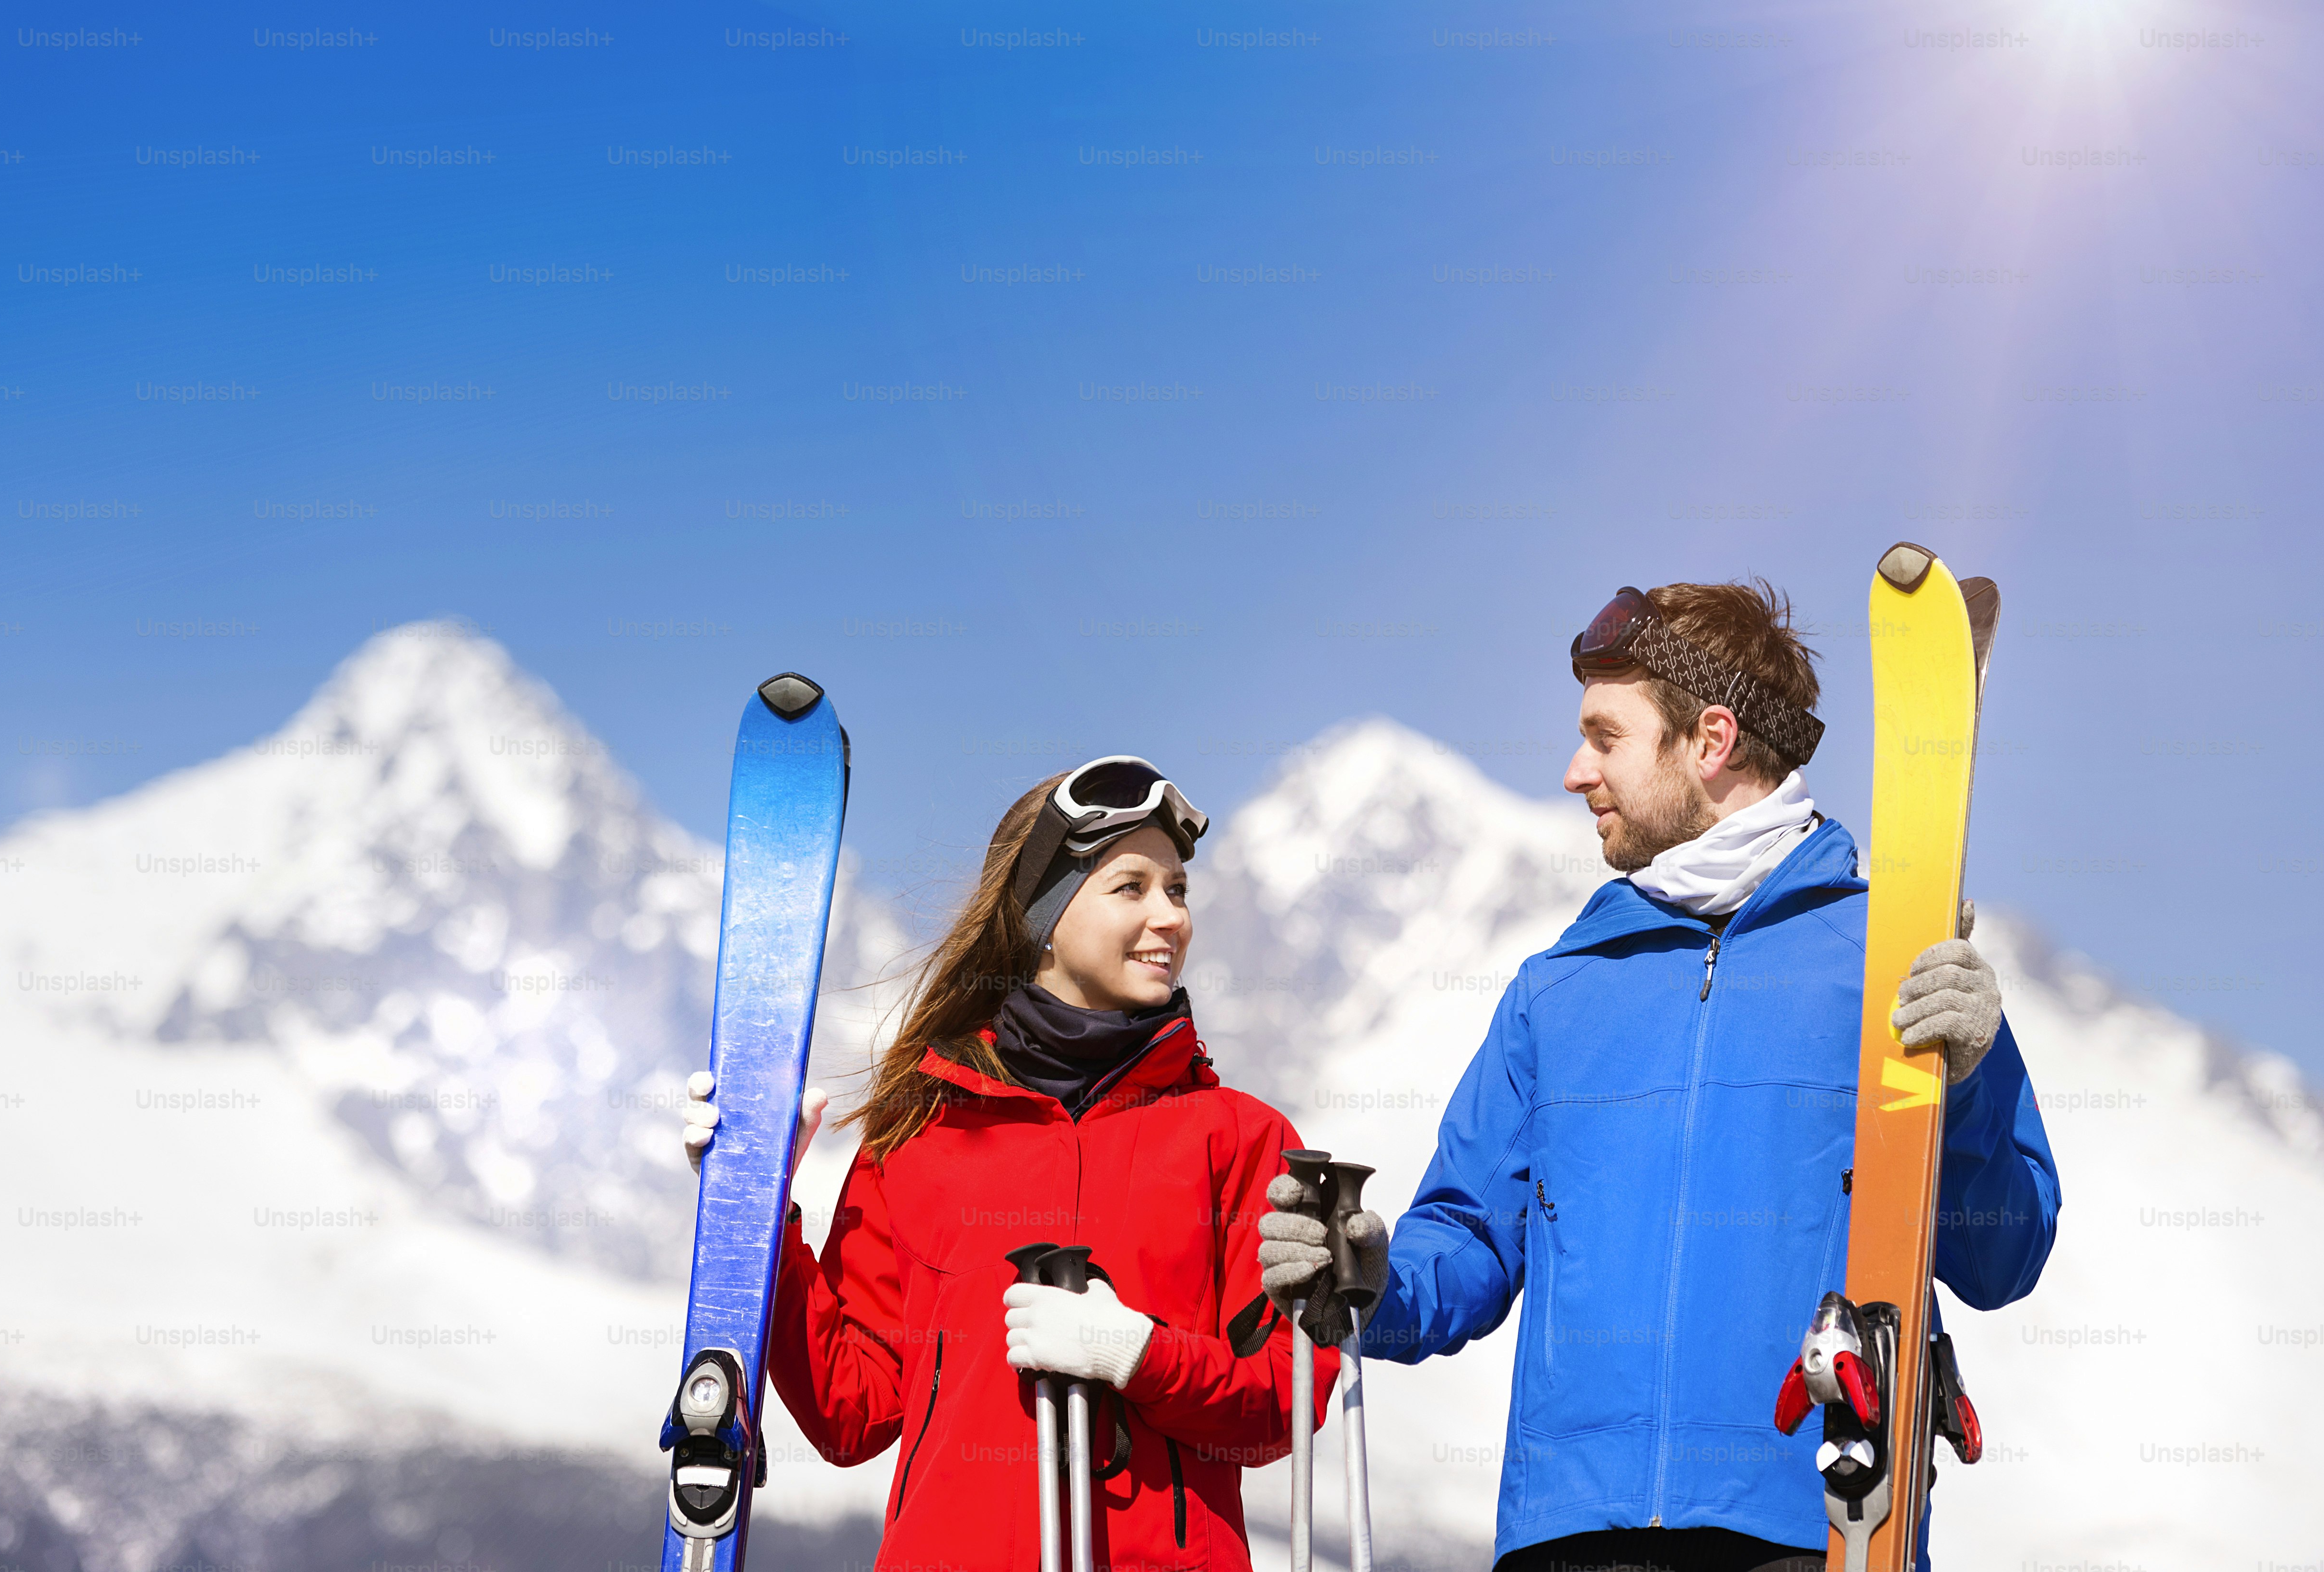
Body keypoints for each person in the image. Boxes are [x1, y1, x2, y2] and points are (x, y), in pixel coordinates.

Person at [1258, 581, 2060, 1572]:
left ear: (1710, 740)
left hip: (1812, 1524)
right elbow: (1465, 1238)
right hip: (1569, 1536)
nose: (1572, 771)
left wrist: (1973, 1077)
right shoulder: (1557, 990)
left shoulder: (1886, 954)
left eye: (1605, 736)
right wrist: (1366, 1278)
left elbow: (2003, 1254)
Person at [683, 757, 1337, 1572]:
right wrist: (759, 1216)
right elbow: (852, 1410)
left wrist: (1137, 1353)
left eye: (1177, 890)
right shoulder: (920, 1132)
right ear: (1043, 919)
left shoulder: (1240, 1140)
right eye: (1129, 887)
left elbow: (1284, 1399)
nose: (1170, 917)